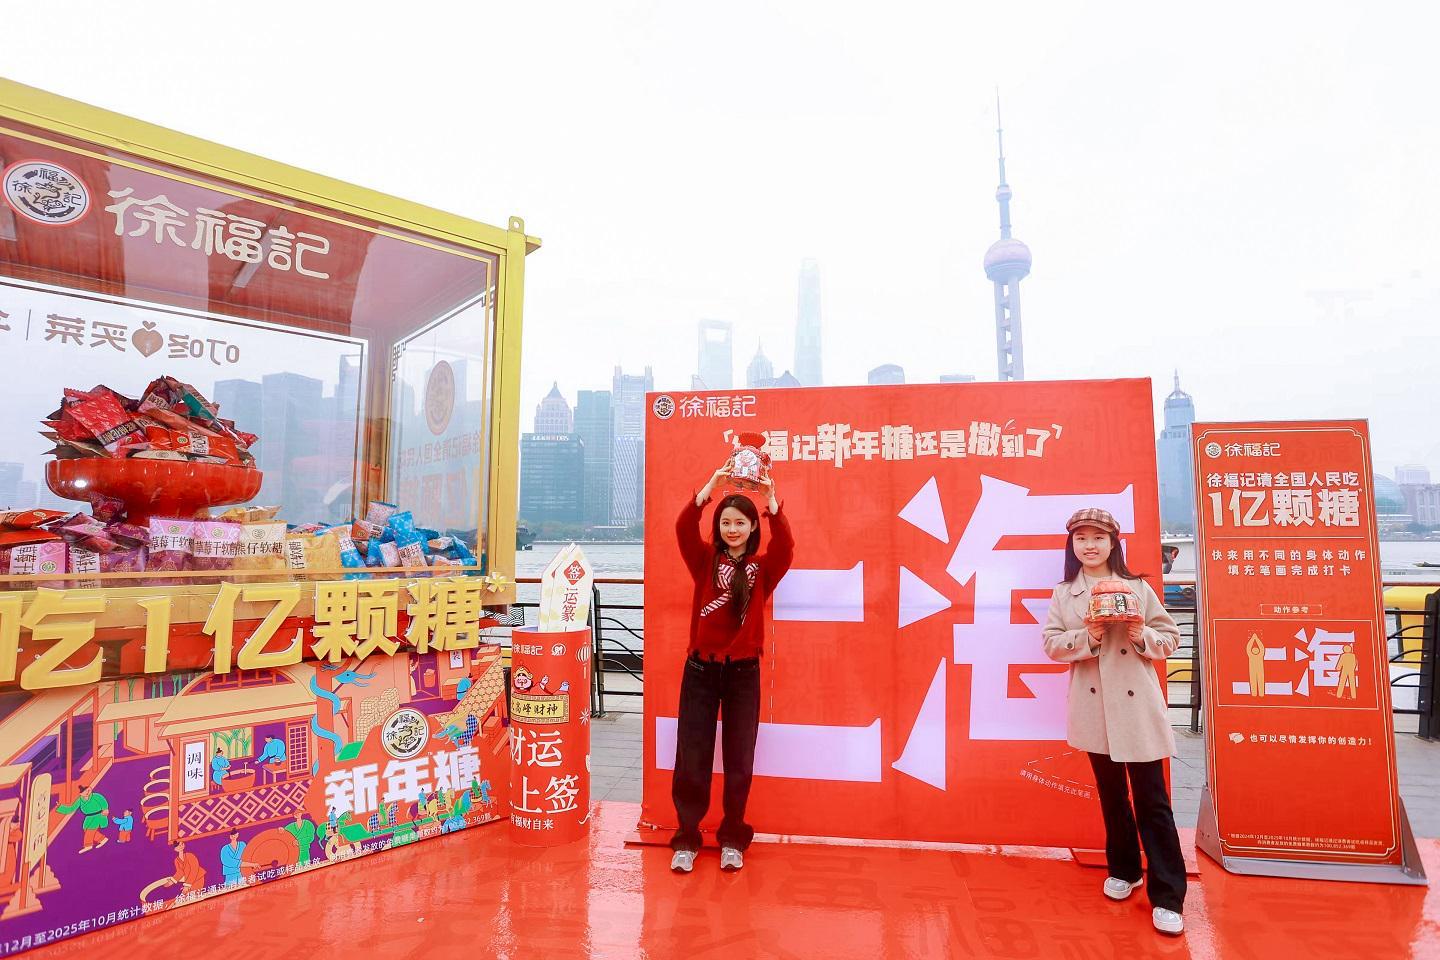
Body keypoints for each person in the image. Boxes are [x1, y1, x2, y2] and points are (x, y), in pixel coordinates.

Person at [1042, 508, 1186, 936]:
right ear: (1072, 544)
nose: (1089, 546)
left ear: (1113, 543)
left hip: (1136, 706)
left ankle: (1169, 896)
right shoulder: (1064, 593)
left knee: (1152, 800)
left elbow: (1171, 637)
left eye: (1098, 538)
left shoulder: (1138, 587)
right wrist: (1087, 637)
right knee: (1112, 796)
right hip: (1094, 707)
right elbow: (1051, 643)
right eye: (1081, 538)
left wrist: (1143, 636)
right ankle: (1125, 870)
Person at [669, 464, 793, 874]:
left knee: (740, 759)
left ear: (753, 527)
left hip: (743, 674)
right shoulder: (704, 561)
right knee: (692, 756)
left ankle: (733, 838)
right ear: (718, 527)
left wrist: (771, 501)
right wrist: (711, 487)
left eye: (740, 522)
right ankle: (687, 837)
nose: (732, 529)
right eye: (726, 522)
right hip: (700, 672)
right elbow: (684, 528)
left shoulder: (762, 569)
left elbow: (786, 548)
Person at [56, 784, 109, 853]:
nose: (87, 792)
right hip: (89, 817)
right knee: (86, 829)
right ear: (81, 794)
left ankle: (88, 845)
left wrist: (105, 809)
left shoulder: (96, 796)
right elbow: (71, 808)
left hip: (98, 815)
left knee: (90, 830)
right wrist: (60, 807)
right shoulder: (80, 800)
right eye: (84, 792)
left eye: (88, 790)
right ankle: (102, 839)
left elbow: (103, 802)